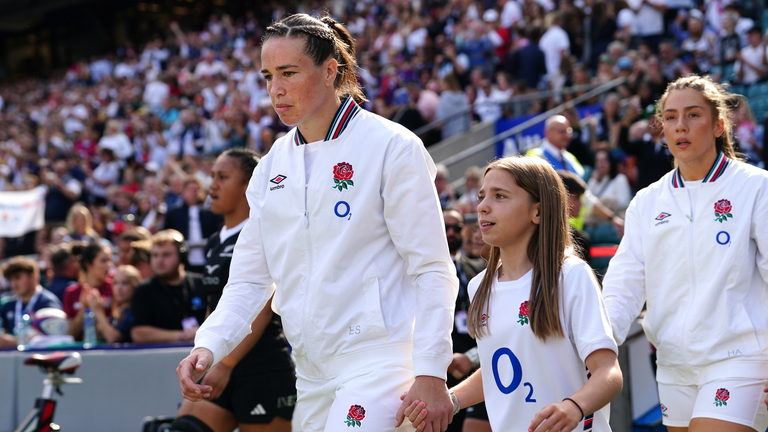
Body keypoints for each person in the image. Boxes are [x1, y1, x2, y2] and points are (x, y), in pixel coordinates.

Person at [176, 14, 458, 432]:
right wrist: (209, 345)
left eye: (289, 72)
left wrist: (433, 370)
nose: (276, 88)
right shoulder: (270, 165)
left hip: (380, 364)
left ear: (330, 71)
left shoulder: (392, 146)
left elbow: (432, 267)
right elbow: (251, 281)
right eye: (268, 75)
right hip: (309, 373)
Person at [402, 156, 622, 432]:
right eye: (482, 196)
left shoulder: (570, 275)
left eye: (500, 196)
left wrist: (574, 407)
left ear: (538, 212)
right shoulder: (478, 285)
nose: (483, 207)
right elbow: (501, 367)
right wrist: (451, 399)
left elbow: (608, 372)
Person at [602, 75, 768, 431]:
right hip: (673, 365)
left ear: (719, 124)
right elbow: (624, 286)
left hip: (740, 360)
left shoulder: (756, 187)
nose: (681, 126)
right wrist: (596, 345)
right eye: (671, 117)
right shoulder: (646, 201)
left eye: (693, 115)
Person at [174, 148, 296, 432]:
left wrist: (226, 365)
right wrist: (205, 356)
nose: (212, 185)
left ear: (248, 184)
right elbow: (213, 308)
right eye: (212, 176)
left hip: (261, 368)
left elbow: (262, 310)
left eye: (223, 177)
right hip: (220, 364)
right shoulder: (215, 239)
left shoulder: (262, 231)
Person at [442, 209, 489, 432]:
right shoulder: (414, 272)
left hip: (475, 366)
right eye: (446, 227)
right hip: (438, 368)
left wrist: (471, 358)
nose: (451, 232)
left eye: (457, 228)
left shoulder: (479, 271)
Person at [130, 229, 207, 344]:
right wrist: (181, 336)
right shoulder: (143, 290)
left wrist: (201, 332)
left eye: (166, 255)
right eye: (155, 255)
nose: (159, 261)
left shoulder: (202, 283)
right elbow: (138, 333)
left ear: (182, 256)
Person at [163, 177, 223, 274]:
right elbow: (166, 234)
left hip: (208, 261)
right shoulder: (174, 213)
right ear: (184, 191)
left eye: (197, 189)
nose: (194, 193)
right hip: (184, 262)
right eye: (191, 190)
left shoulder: (211, 213)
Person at [0, 256, 63, 348]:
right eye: (10, 279)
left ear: (33, 276)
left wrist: (13, 342)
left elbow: (51, 340)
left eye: (17, 278)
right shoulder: (8, 305)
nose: (13, 284)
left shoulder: (48, 303)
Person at [62, 242, 114, 340]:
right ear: (88, 264)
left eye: (110, 260)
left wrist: (98, 309)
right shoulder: (71, 292)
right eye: (103, 261)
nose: (109, 265)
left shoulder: (115, 288)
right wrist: (84, 309)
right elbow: (69, 335)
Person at [88, 265, 139, 344]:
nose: (119, 288)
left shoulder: (136, 311)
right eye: (115, 283)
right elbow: (102, 334)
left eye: (124, 283)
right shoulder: (120, 311)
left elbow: (113, 338)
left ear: (135, 285)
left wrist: (98, 311)